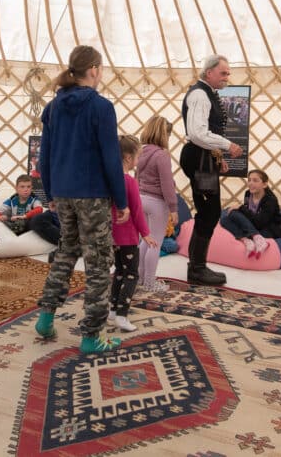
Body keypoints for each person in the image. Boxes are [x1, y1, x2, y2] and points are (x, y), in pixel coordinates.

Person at [34, 45, 129, 354]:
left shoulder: (53, 107)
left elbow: (44, 156)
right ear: (94, 70)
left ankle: (46, 318)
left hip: (62, 191)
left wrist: (51, 192)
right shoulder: (101, 107)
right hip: (92, 194)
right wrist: (121, 200)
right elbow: (111, 158)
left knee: (66, 251)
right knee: (98, 262)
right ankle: (92, 337)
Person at [179, 55, 243, 285]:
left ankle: (197, 266)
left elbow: (204, 134)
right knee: (209, 211)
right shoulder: (199, 94)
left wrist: (217, 156)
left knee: (208, 211)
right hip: (198, 159)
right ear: (209, 73)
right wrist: (227, 145)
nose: (227, 77)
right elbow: (197, 133)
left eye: (228, 73)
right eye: (223, 73)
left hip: (204, 158)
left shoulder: (207, 93)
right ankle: (197, 268)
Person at [108, 135, 158, 332]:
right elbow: (136, 211)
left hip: (113, 236)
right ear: (128, 158)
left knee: (119, 272)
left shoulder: (110, 180)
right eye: (138, 156)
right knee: (131, 274)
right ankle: (122, 315)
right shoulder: (129, 181)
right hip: (128, 237)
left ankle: (113, 310)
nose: (138, 160)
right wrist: (145, 233)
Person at [220, 170, 281, 259]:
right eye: (249, 180)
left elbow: (260, 222)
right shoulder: (248, 194)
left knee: (238, 214)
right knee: (226, 219)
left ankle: (256, 237)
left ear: (264, 184)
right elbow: (247, 212)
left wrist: (241, 208)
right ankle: (246, 240)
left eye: (255, 180)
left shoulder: (270, 200)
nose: (251, 183)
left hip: (269, 227)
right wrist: (241, 211)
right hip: (253, 224)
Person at [135, 115, 177, 292]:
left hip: (141, 199)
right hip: (157, 203)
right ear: (163, 134)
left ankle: (140, 279)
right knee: (155, 243)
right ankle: (150, 283)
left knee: (145, 240)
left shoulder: (140, 151)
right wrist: (173, 208)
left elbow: (136, 178)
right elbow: (167, 185)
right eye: (169, 135)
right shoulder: (161, 155)